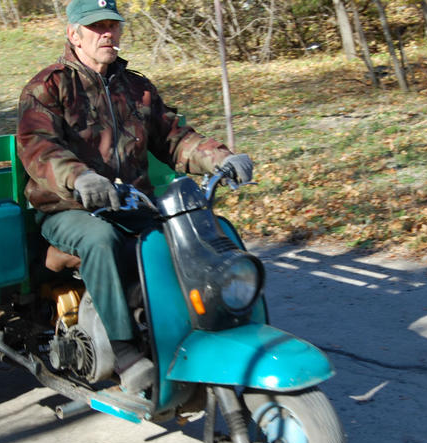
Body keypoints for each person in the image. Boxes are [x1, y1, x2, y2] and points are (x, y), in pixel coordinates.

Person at [16, 0, 253, 390]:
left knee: (185, 239)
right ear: (74, 35)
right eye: (96, 27)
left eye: (113, 25)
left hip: (131, 202)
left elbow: (174, 137)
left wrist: (221, 159)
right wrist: (80, 178)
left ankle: (193, 328)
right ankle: (125, 352)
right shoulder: (50, 87)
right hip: (68, 207)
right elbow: (39, 148)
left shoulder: (136, 88)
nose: (107, 33)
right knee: (101, 239)